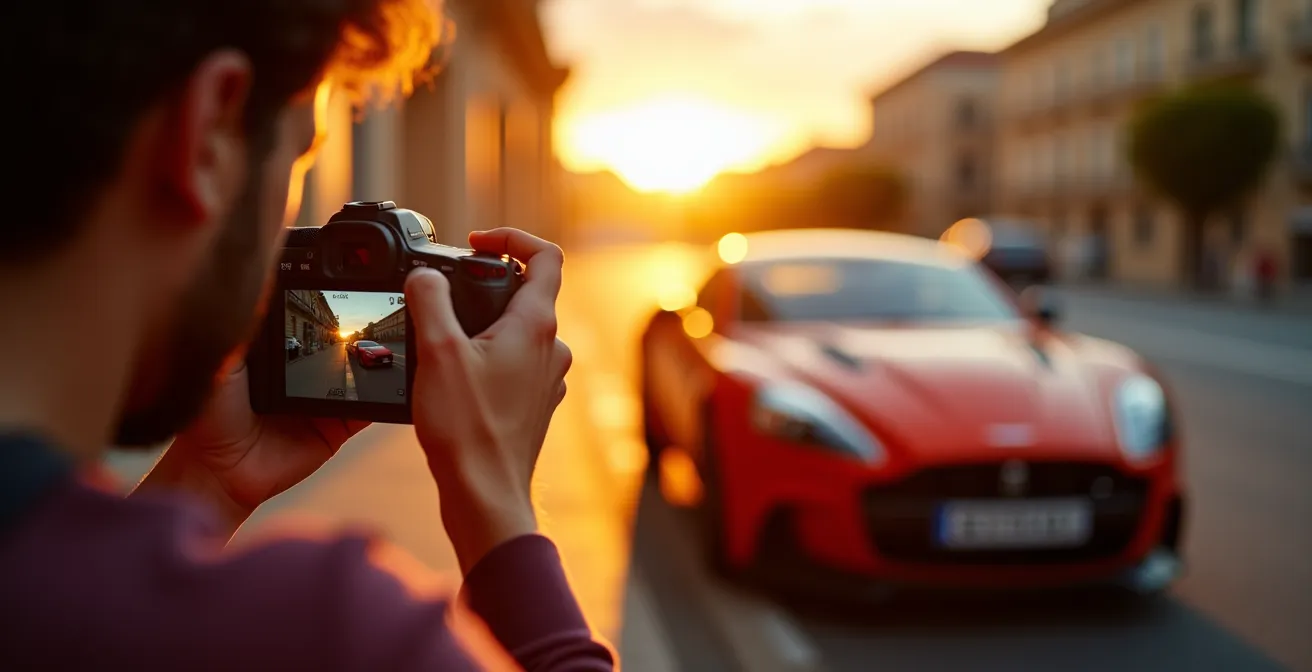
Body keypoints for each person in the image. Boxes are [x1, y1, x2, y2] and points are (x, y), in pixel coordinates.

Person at [0, 1, 614, 670]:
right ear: (210, 135)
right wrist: (496, 502)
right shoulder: (332, 631)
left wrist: (210, 481)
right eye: (302, 154)